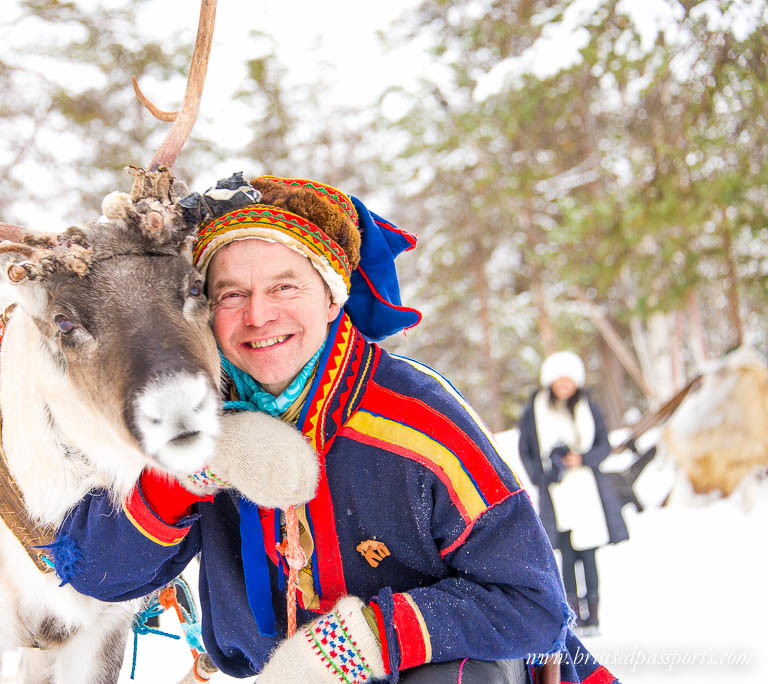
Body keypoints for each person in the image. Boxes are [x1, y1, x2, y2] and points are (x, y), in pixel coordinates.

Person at [50, 175, 616, 682]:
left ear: (331, 298)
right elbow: (97, 572)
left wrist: (360, 642)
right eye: (231, 294)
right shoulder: (199, 413)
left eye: (284, 287)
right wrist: (197, 468)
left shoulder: (419, 417)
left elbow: (533, 604)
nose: (259, 315)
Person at [517, 351, 629, 635]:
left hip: (587, 492)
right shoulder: (535, 410)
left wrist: (582, 458)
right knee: (565, 557)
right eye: (560, 380)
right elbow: (526, 451)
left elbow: (604, 445)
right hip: (556, 494)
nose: (565, 386)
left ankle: (595, 615)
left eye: (570, 381)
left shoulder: (588, 407)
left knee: (589, 554)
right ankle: (574, 614)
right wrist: (543, 476)